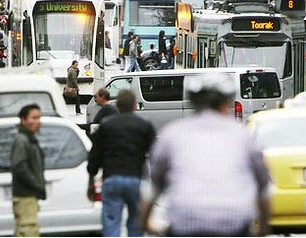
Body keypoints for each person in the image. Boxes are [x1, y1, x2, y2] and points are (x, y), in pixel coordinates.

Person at [138, 72, 271, 237]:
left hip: (184, 226)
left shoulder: (173, 134)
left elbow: (153, 188)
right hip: (234, 227)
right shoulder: (243, 136)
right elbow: (264, 189)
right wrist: (262, 228)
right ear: (226, 102)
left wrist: (146, 223)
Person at [87, 89, 156, 237]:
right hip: (135, 179)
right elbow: (157, 154)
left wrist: (91, 180)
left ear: (117, 106)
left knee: (111, 222)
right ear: (135, 106)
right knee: (136, 223)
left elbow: (95, 155)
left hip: (111, 179)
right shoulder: (144, 125)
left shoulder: (106, 125)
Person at [11, 104, 46, 237]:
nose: (37, 121)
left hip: (28, 195)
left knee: (22, 231)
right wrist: (36, 184)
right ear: (23, 120)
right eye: (33, 118)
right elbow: (19, 166)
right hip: (25, 196)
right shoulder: (22, 140)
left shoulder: (30, 139)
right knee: (29, 230)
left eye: (39, 118)